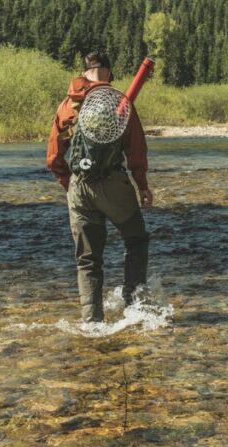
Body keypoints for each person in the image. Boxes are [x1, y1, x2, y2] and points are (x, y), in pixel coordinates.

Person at [46, 51, 153, 323]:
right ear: (106, 72)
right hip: (113, 185)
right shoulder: (119, 101)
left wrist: (69, 184)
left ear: (85, 73)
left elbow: (54, 157)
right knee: (136, 239)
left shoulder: (67, 105)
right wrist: (142, 186)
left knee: (88, 260)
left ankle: (91, 323)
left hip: (78, 188)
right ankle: (134, 306)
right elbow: (136, 151)